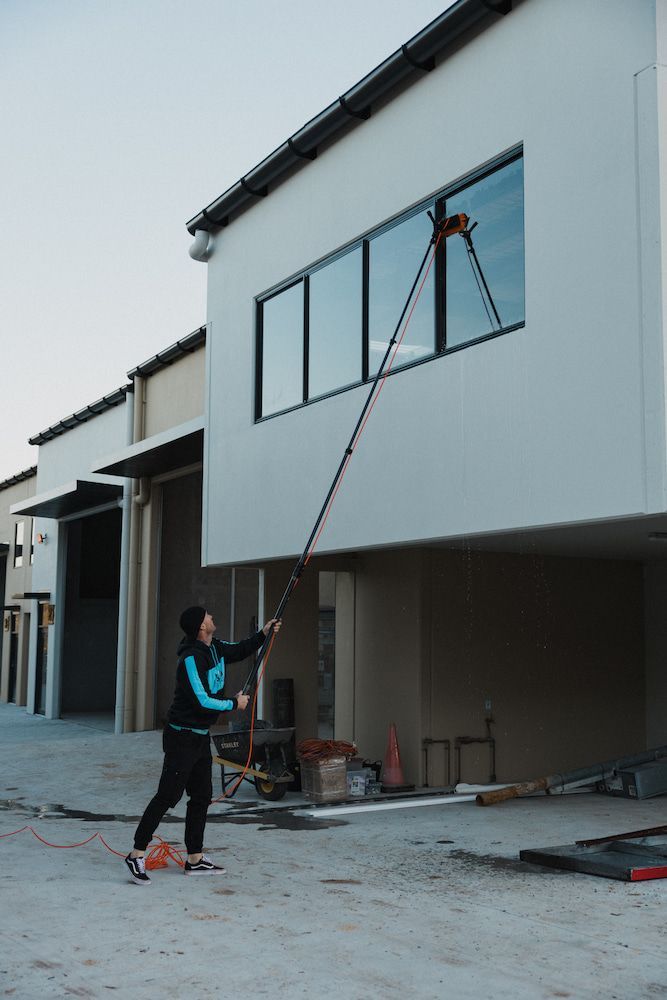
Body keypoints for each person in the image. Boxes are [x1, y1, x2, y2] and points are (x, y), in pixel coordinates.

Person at [125, 606, 281, 884]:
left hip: (199, 737)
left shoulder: (215, 646)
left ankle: (194, 859)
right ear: (200, 627)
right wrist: (235, 703)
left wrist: (263, 634)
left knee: (201, 797)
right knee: (167, 796)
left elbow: (240, 649)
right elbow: (202, 700)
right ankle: (137, 853)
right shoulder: (190, 660)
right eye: (208, 616)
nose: (212, 617)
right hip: (181, 737)